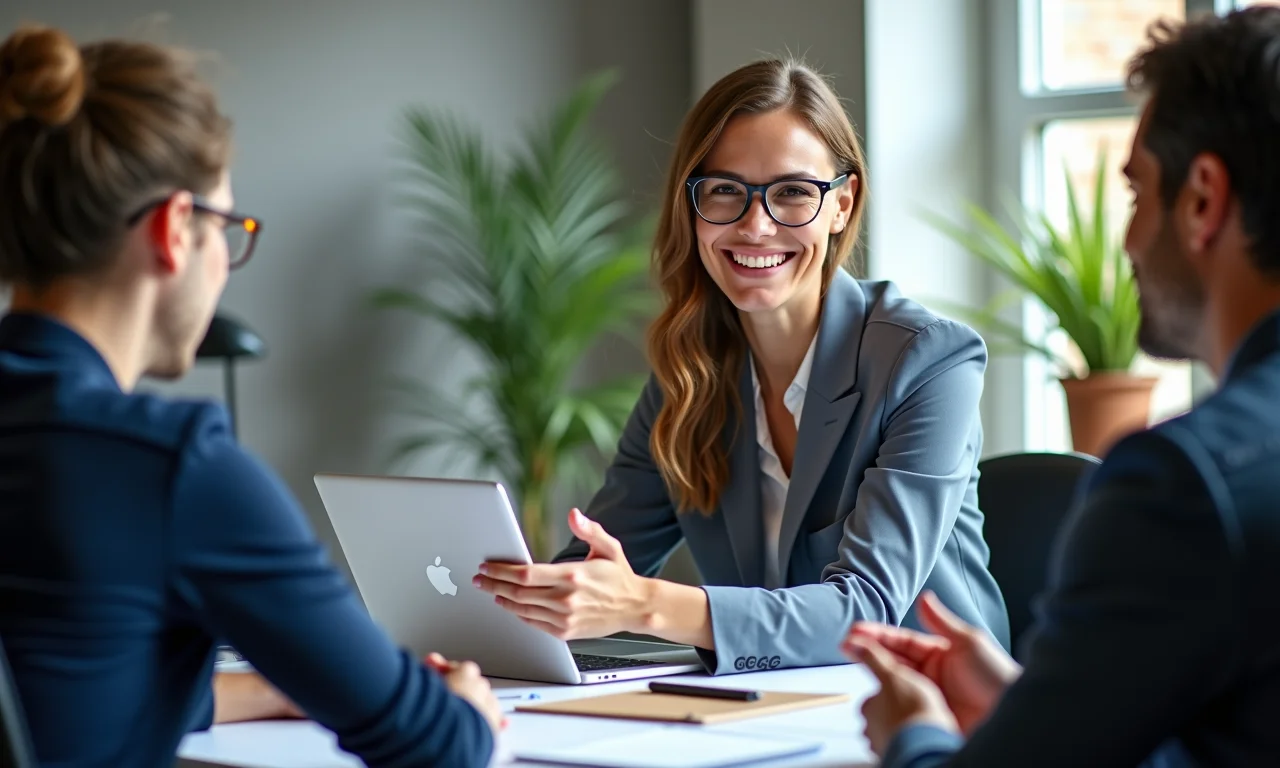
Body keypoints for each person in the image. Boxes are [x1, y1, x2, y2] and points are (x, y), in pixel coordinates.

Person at [0, 25, 500, 767]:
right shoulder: (170, 467)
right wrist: (465, 712)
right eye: (228, 226)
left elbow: (62, 686)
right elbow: (439, 748)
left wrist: (276, 686)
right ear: (176, 230)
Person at [844, 7, 1280, 767]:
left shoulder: (1185, 485)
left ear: (1204, 199)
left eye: (1139, 193)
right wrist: (1030, 708)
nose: (1130, 240)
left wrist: (913, 735)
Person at [474, 58, 1010, 675]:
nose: (756, 227)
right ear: (693, 207)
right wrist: (525, 606)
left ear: (842, 204)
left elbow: (866, 609)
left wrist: (644, 604)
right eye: (726, 190)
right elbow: (600, 565)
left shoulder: (929, 361)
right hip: (775, 704)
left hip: (942, 709)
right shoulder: (689, 374)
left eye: (791, 193)